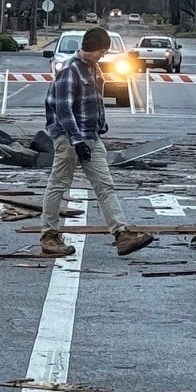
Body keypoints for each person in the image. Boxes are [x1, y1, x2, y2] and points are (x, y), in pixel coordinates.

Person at [38, 26, 155, 259]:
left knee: (105, 185)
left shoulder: (93, 68)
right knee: (58, 185)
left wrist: (100, 124)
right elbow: (63, 110)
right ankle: (49, 236)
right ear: (90, 48)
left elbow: (95, 101)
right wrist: (75, 139)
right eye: (101, 51)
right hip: (68, 138)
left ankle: (122, 234)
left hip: (91, 136)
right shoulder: (71, 71)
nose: (102, 55)